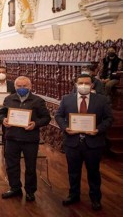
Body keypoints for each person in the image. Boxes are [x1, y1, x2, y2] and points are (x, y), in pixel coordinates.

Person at [55, 74, 113, 211]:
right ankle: (73, 195)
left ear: (92, 85)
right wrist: (65, 128)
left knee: (93, 172)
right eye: (81, 83)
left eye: (87, 83)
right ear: (75, 84)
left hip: (93, 143)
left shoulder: (102, 100)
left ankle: (95, 199)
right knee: (73, 172)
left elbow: (109, 119)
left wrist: (98, 129)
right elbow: (58, 115)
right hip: (72, 142)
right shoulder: (66, 99)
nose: (84, 85)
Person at [0, 76, 51, 202]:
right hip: (12, 137)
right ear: (15, 87)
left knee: (30, 167)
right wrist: (3, 119)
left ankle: (30, 191)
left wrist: (35, 124)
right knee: (11, 165)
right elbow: (1, 113)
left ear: (30, 87)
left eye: (24, 86)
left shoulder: (38, 101)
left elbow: (46, 118)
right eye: (19, 86)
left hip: (30, 139)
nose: (22, 88)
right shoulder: (9, 99)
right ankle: (15, 188)